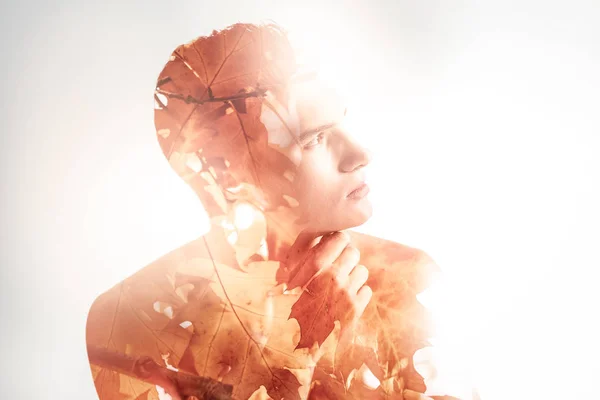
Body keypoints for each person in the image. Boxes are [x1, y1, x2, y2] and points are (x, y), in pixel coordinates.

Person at [85, 22, 459, 400]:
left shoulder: (411, 281)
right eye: (315, 138)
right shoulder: (125, 325)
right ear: (226, 169)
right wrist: (301, 349)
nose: (360, 155)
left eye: (342, 122)